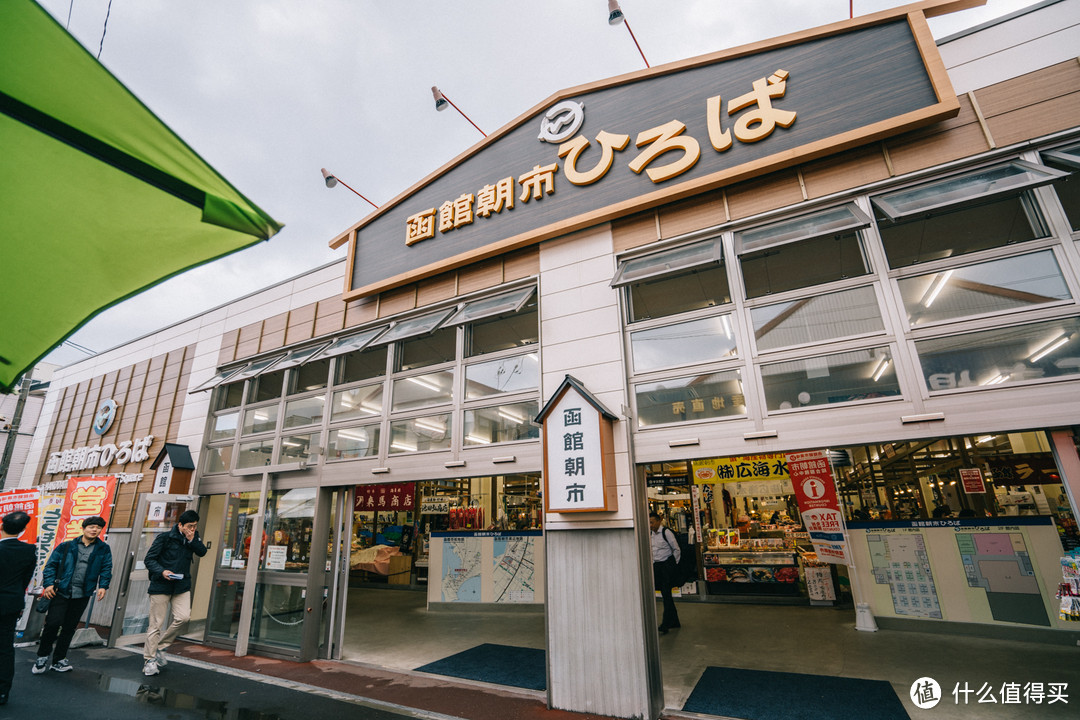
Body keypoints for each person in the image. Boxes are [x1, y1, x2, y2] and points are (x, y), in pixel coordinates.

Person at [33, 516, 112, 675]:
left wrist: (103, 586)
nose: (94, 529)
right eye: (91, 527)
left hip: (83, 593)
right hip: (61, 591)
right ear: (84, 528)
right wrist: (48, 584)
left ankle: (59, 660)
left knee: (69, 628)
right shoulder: (66, 546)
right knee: (52, 624)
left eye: (98, 527)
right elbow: (51, 566)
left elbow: (106, 568)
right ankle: (42, 656)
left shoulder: (103, 548)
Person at [142, 509, 206, 676]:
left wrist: (192, 540)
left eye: (195, 526)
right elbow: (149, 559)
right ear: (180, 525)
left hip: (182, 585)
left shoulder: (193, 537)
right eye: (189, 526)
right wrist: (162, 572)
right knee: (156, 624)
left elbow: (202, 552)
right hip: (161, 585)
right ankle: (149, 660)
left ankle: (161, 647)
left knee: (184, 617)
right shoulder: (165, 537)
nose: (192, 529)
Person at [0, 511, 36, 705]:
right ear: (23, 530)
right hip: (11, 603)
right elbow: (25, 581)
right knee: (5, 648)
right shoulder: (29, 551)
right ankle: (2, 691)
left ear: (1, 526)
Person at [648, 511, 681, 635]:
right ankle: (675, 621)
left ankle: (665, 624)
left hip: (666, 567)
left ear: (658, 521)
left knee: (666, 594)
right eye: (649, 522)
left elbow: (676, 549)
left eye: (652, 522)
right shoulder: (650, 534)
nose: (650, 525)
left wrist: (672, 566)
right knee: (665, 595)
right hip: (656, 567)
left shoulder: (666, 532)